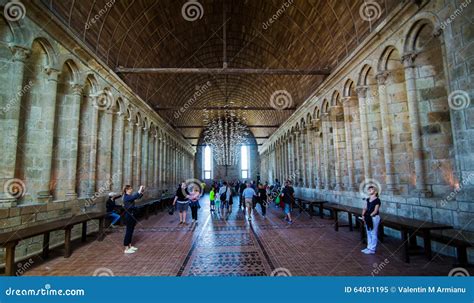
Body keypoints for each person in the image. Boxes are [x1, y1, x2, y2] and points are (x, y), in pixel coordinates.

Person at [122, 184, 145, 254]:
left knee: (131, 231)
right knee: (128, 231)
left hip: (132, 215)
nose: (131, 190)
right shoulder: (126, 197)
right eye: (130, 189)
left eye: (131, 188)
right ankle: (126, 248)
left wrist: (142, 192)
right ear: (126, 190)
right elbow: (135, 196)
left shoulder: (129, 196)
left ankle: (130, 246)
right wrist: (140, 189)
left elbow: (137, 197)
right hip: (128, 216)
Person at [361, 185, 381, 254]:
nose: (370, 190)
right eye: (369, 189)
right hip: (368, 217)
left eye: (371, 189)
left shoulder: (377, 200)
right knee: (368, 232)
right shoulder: (368, 199)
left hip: (374, 217)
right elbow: (365, 208)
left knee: (373, 233)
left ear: (375, 191)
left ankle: (372, 249)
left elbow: (375, 211)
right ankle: (368, 247)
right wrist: (363, 215)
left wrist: (369, 216)